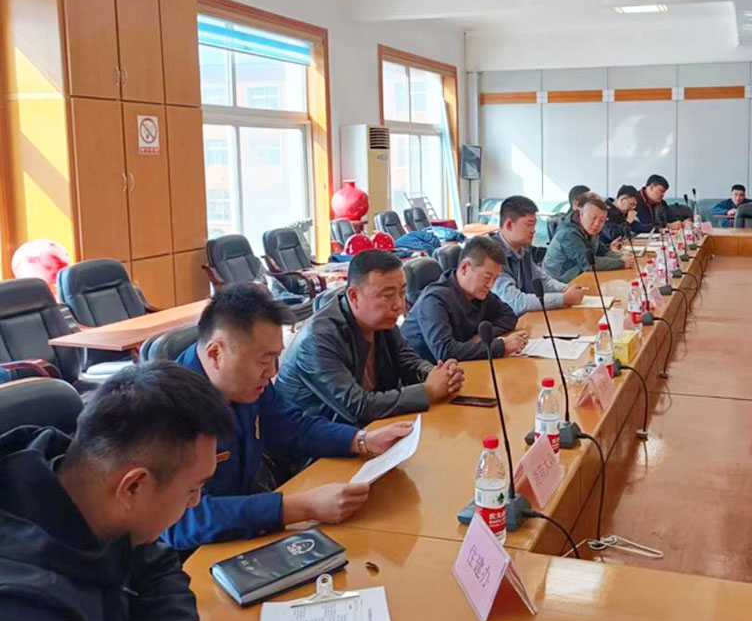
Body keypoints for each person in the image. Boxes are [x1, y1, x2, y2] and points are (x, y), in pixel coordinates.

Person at [166, 285, 416, 552]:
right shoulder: (167, 410)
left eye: (276, 357)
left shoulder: (246, 385)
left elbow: (292, 427)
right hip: (190, 556)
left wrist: (362, 439)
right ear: (215, 354)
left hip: (240, 533)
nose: (272, 372)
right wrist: (301, 507)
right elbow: (182, 520)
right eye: (264, 361)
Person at [0, 361, 232, 621]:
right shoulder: (23, 607)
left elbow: (156, 564)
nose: (196, 501)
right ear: (133, 486)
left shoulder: (80, 479)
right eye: (192, 489)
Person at [276, 250, 464, 426]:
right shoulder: (318, 339)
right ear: (354, 296)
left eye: (402, 292)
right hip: (317, 441)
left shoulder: (380, 321)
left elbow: (408, 361)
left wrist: (437, 374)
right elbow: (358, 407)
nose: (399, 305)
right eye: (387, 295)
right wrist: (429, 391)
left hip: (369, 430)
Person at [402, 237, 525, 361]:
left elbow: (509, 316)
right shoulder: (433, 300)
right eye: (487, 277)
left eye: (495, 279)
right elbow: (445, 351)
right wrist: (501, 347)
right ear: (465, 268)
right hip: (425, 369)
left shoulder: (478, 292)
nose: (490, 285)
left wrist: (482, 336)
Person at [492, 196, 586, 315]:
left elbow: (542, 279)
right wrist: (564, 298)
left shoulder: (522, 250)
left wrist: (566, 288)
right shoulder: (491, 256)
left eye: (534, 225)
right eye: (529, 225)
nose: (533, 230)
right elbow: (516, 302)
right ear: (509, 225)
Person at [544, 195, 634, 283]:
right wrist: (621, 262)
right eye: (593, 218)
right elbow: (588, 264)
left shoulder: (588, 229)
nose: (597, 224)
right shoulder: (568, 234)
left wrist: (621, 256)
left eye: (602, 220)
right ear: (581, 214)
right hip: (560, 282)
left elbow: (601, 250)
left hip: (579, 275)